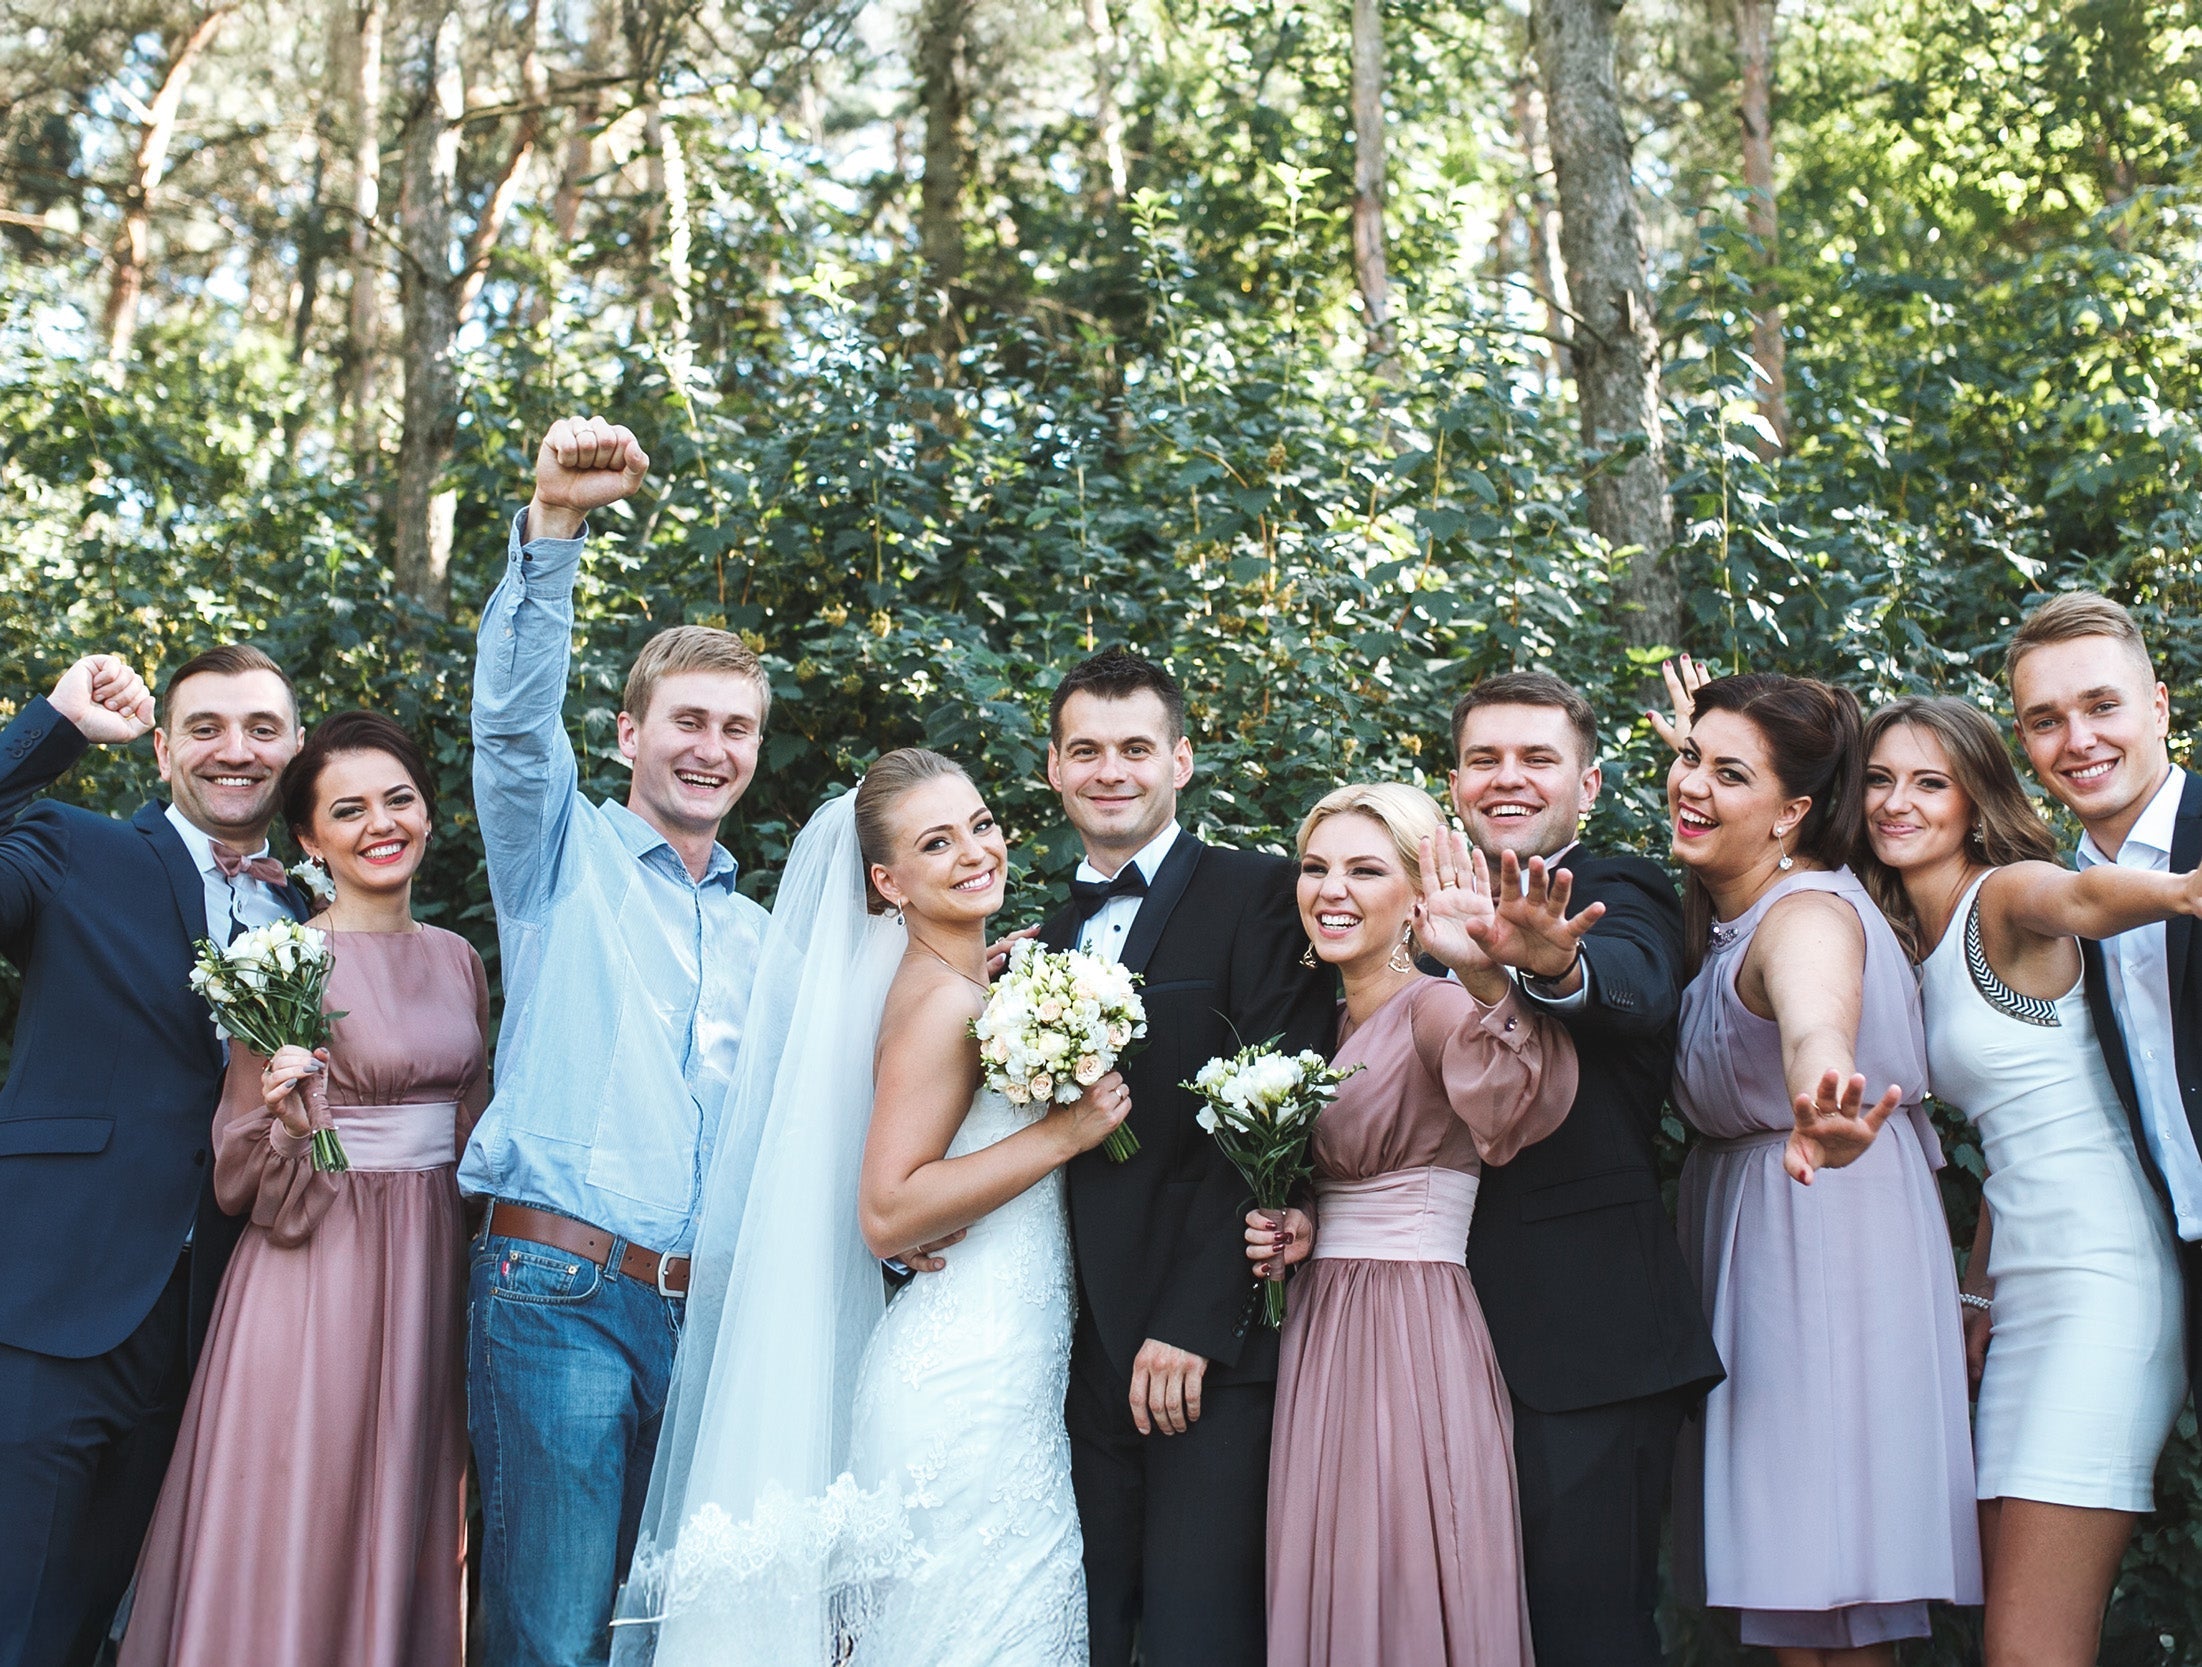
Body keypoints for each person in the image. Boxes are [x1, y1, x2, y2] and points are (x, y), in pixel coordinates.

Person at [611, 753, 1124, 1667]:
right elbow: (888, 1211)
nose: (976, 851)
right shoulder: (939, 1005)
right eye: (937, 842)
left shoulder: (963, 990)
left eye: (979, 823)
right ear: (887, 883)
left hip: (1002, 1377)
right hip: (964, 1389)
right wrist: (1062, 1135)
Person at [465, 417, 771, 1667]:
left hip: (713, 1322)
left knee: (661, 1639)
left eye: (736, 729)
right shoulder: (558, 857)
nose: (710, 748)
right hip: (560, 1295)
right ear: (628, 734)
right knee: (552, 1637)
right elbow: (509, 726)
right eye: (686, 720)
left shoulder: (765, 935)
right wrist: (554, 530)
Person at [119, 711, 488, 1667]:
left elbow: (475, 1135)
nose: (381, 824)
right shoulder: (282, 962)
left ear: (430, 813)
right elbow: (238, 1171)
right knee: (302, 1501)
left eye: (399, 799)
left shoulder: (459, 958)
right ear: (310, 839)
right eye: (349, 809)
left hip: (430, 1265)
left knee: (406, 1503)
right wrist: (294, 1125)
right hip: (316, 1265)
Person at [1657, 666, 1981, 1665]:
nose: (1691, 785)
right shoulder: (1748, 904)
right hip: (1784, 1218)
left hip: (1815, 1230)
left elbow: (1814, 1018)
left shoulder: (1804, 915)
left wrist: (1827, 1092)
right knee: (1814, 1586)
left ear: (1793, 809)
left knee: (1816, 1578)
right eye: (1684, 758)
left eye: (1730, 774)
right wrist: (1720, 750)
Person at [1857, 694, 2187, 1666]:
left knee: (2029, 1646)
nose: (1897, 801)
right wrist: (1975, 1282)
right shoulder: (1905, 948)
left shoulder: (1999, 898)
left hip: (2106, 1282)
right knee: (2012, 1629)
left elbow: (2079, 899)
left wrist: (2182, 890)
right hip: (2026, 1291)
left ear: (1975, 798)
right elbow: (2013, 1140)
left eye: (1929, 780)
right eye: (1879, 778)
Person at [0, 646, 307, 1667]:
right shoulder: (69, 844)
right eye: (208, 726)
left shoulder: (308, 913)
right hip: (48, 1304)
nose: (237, 748)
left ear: (294, 749)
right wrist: (53, 730)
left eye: (263, 727)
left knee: (92, 1625)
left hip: (206, 1334)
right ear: (165, 747)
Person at [1036, 647, 1334, 1667]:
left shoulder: (1261, 895)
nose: (1110, 770)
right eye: (1087, 750)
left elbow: (1275, 1116)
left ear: (1182, 760)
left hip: (1206, 1349)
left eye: (1134, 747)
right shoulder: (1038, 935)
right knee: (1085, 1632)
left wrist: (1194, 1322)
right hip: (1070, 1359)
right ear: (1055, 769)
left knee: (1202, 1638)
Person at [1251, 784, 1580, 1667]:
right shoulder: (1312, 1020)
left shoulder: (1433, 1006)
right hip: (1320, 1320)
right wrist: (1303, 1217)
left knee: (1400, 1554)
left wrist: (1482, 972)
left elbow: (1517, 1102)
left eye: (1365, 869)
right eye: (1316, 868)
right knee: (1326, 1555)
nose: (1333, 890)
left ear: (1414, 893)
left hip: (1408, 1323)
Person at [1440, 672, 1724, 1667]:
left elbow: (1637, 991)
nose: (1507, 778)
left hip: (1584, 1336)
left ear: (1590, 783)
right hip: (1419, 1332)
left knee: (1585, 1632)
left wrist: (1555, 965)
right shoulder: (1418, 901)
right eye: (1485, 758)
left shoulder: (1621, 885)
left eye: (1536, 757)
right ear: (1455, 780)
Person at [2005, 592, 2202, 1391]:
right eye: (2046, 719)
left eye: (2102, 705)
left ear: (2158, 708)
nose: (2078, 740)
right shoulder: (2053, 901)